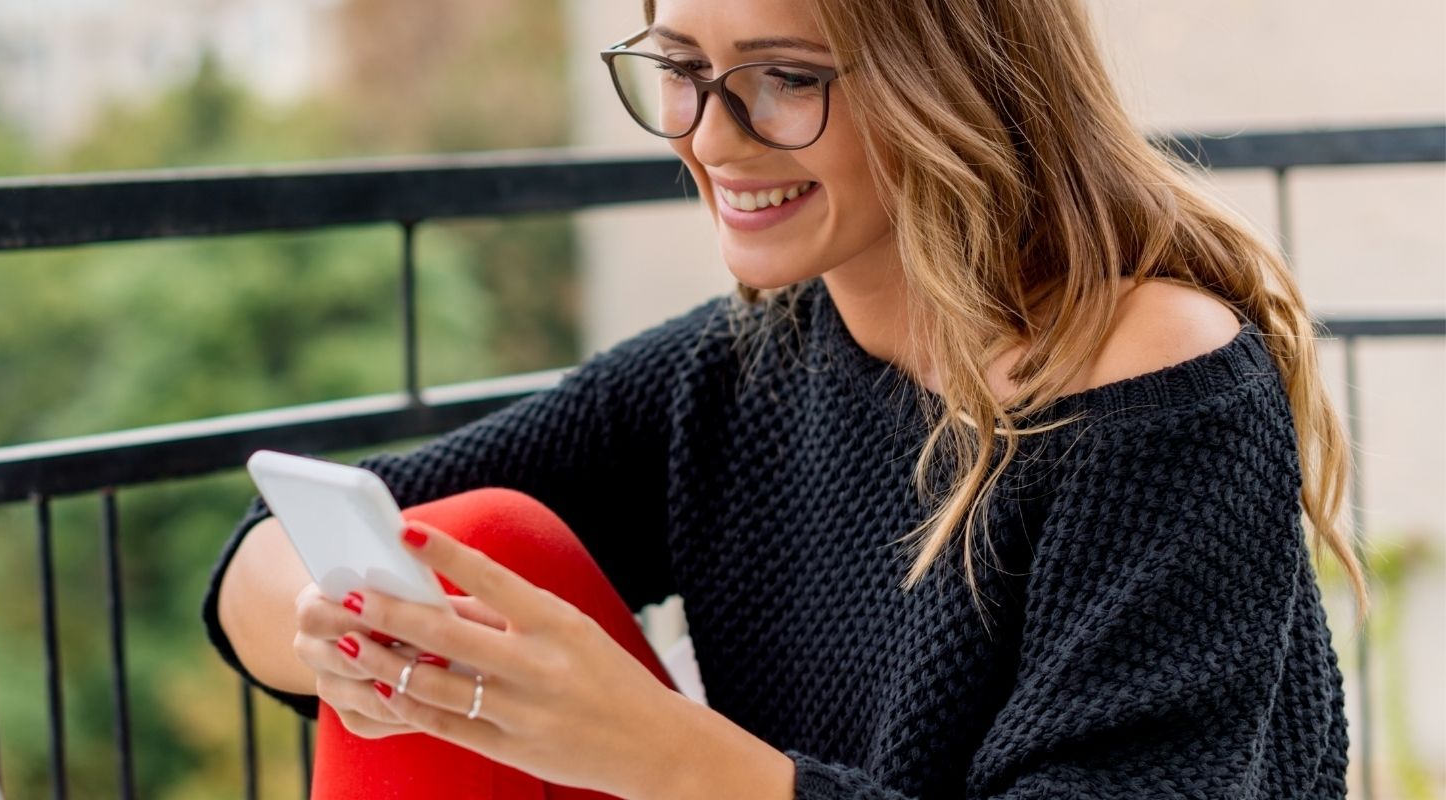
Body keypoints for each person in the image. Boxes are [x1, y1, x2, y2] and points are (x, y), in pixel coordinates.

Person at [201, 0, 1363, 796]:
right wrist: (350, 637)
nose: (714, 135)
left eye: (781, 79)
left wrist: (657, 751)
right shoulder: (745, 361)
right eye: (682, 72)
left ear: (945, 75)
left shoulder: (1153, 384)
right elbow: (263, 563)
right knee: (460, 544)